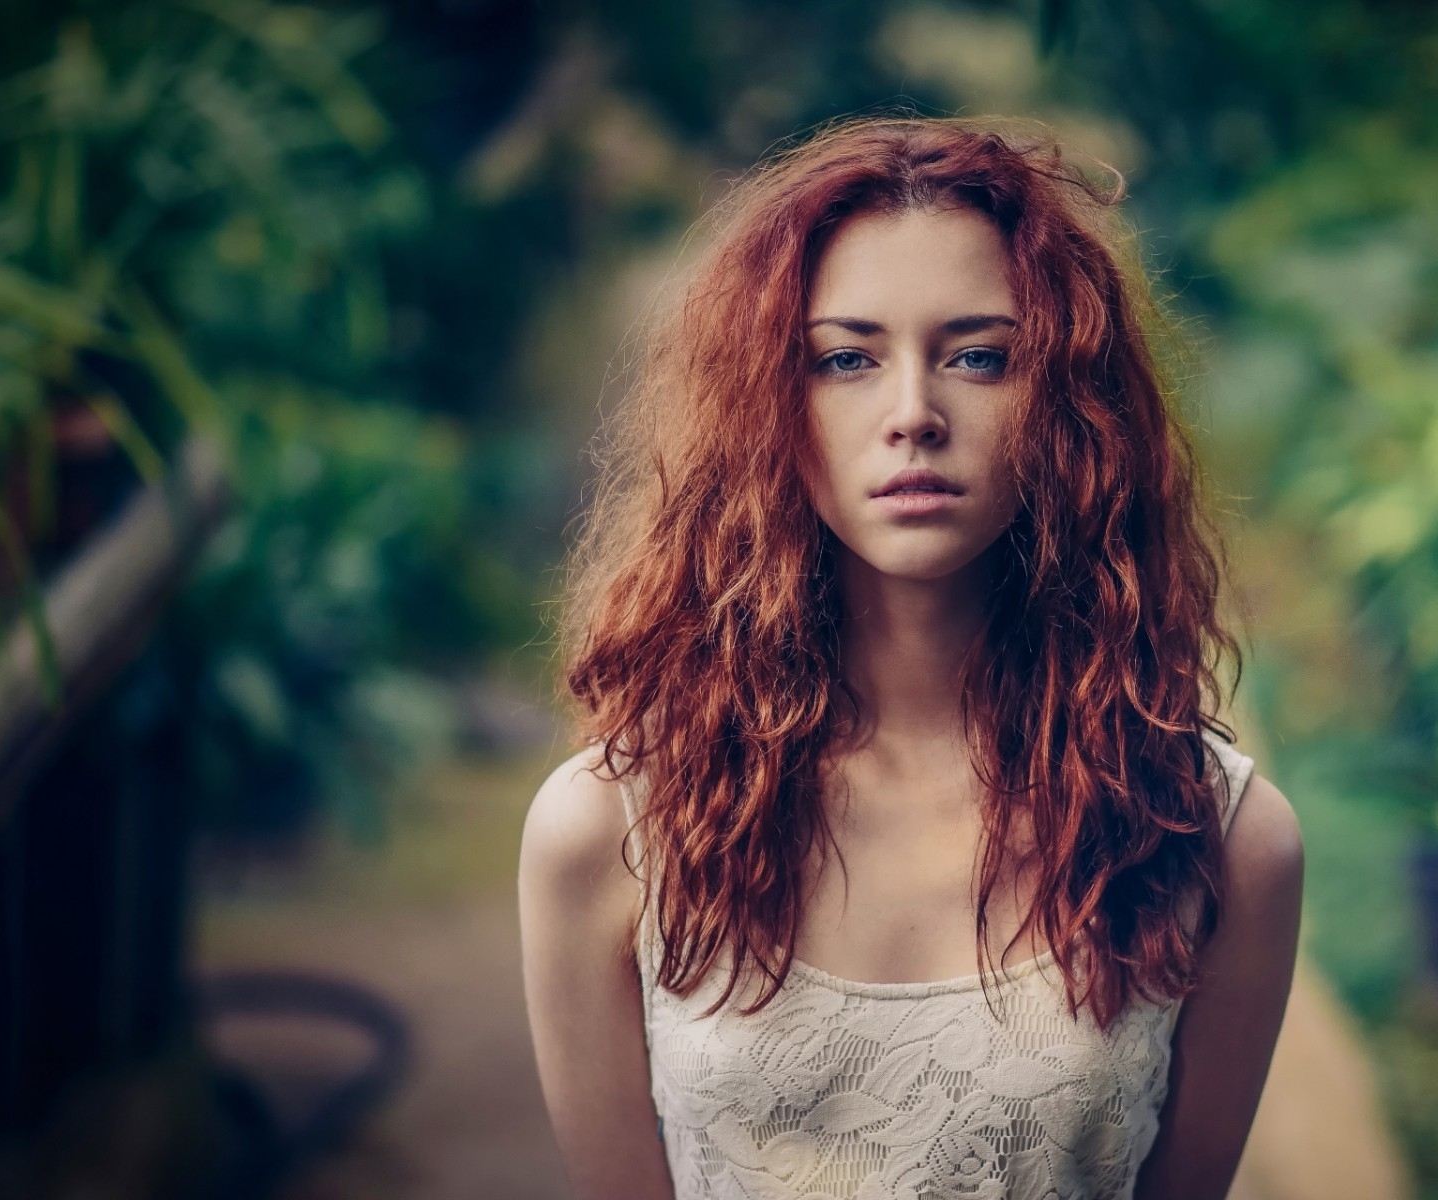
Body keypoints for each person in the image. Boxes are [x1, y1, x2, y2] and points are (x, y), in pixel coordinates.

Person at [519, 115, 1304, 1200]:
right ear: (765, 402)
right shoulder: (610, 828)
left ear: (1070, 404)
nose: (912, 416)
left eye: (979, 356)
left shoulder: (1217, 835)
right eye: (846, 359)